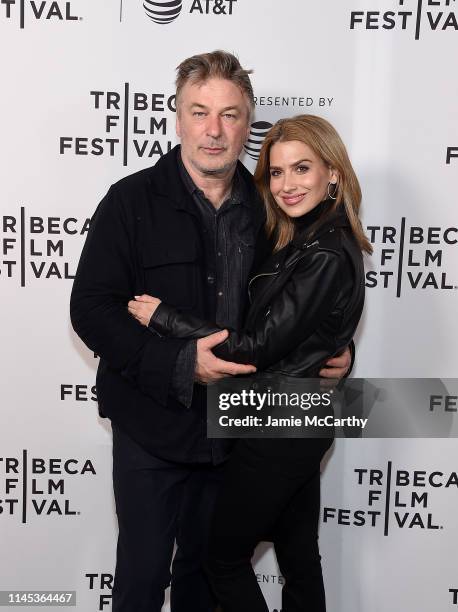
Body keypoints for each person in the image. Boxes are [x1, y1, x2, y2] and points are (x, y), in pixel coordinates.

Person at [70, 51, 352, 612]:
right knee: (142, 579)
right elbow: (92, 309)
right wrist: (179, 362)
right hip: (150, 427)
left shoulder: (272, 208)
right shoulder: (131, 201)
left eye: (230, 114)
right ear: (177, 118)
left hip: (234, 435)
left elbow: (299, 308)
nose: (214, 130)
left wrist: (335, 349)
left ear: (250, 125)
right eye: (200, 112)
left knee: (204, 582)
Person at [128, 114, 372, 612]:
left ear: (333, 174)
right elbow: (310, 330)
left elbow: (257, 345)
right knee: (300, 555)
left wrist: (166, 319)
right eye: (276, 173)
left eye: (301, 169)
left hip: (280, 427)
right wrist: (339, 349)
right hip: (294, 417)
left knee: (223, 561)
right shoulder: (303, 237)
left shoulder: (323, 249)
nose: (286, 185)